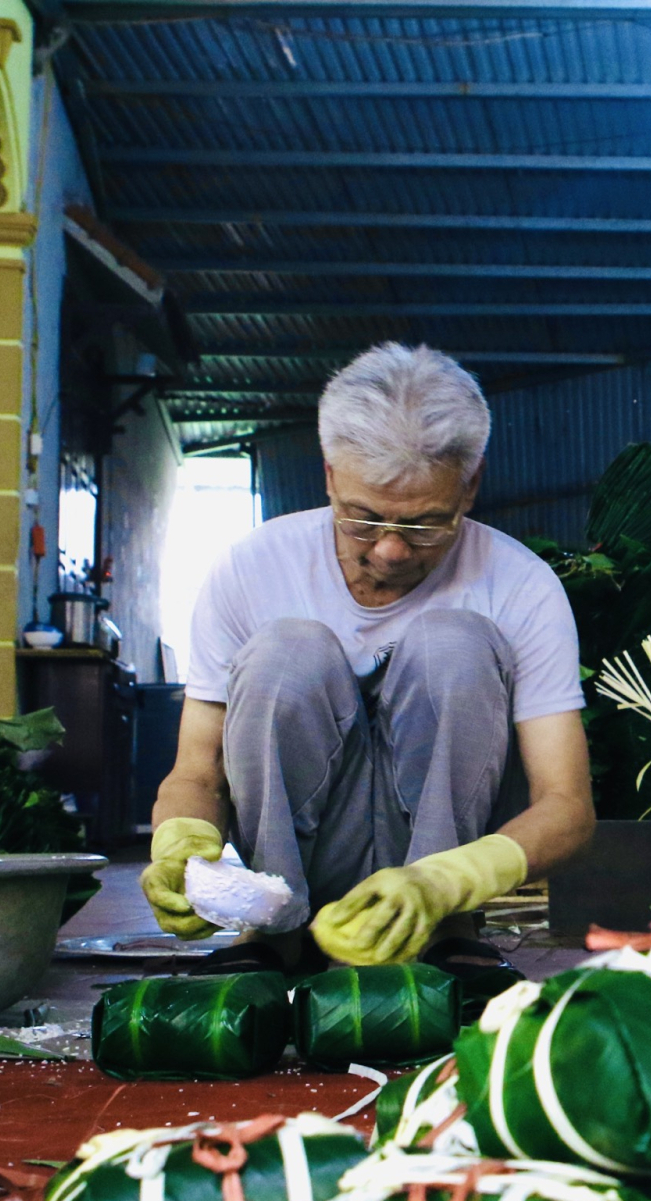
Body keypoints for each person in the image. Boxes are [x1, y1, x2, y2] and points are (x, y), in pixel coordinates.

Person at [142, 343, 595, 983]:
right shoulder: (253, 568)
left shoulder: (521, 585)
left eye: (425, 525)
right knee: (286, 651)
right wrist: (181, 841)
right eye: (362, 518)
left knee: (456, 643)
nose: (388, 550)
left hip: (439, 880)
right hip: (300, 863)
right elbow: (196, 770)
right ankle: (274, 931)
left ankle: (440, 930)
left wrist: (448, 882)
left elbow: (568, 805)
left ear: (471, 485)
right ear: (329, 475)